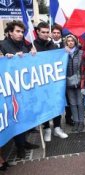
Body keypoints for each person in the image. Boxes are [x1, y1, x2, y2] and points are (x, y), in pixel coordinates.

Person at [0, 21, 39, 158]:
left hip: (23, 88)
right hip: (9, 90)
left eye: (22, 32)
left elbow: (29, 65)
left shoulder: (24, 45)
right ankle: (19, 146)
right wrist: (4, 58)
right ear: (10, 32)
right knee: (15, 118)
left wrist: (32, 55)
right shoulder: (2, 45)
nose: (20, 34)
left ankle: (24, 142)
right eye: (17, 31)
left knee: (24, 116)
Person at [34, 22, 68, 142]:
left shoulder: (52, 45)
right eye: (43, 32)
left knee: (56, 103)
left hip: (53, 81)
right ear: (37, 32)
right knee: (43, 105)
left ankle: (57, 128)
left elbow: (59, 59)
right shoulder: (32, 45)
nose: (45, 34)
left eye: (47, 32)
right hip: (39, 82)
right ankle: (47, 128)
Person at [65, 34, 85, 132]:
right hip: (68, 81)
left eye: (72, 40)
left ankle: (81, 122)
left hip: (79, 81)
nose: (70, 42)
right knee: (72, 103)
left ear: (75, 42)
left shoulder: (81, 52)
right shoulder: (64, 53)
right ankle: (76, 122)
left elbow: (84, 66)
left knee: (80, 103)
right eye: (68, 41)